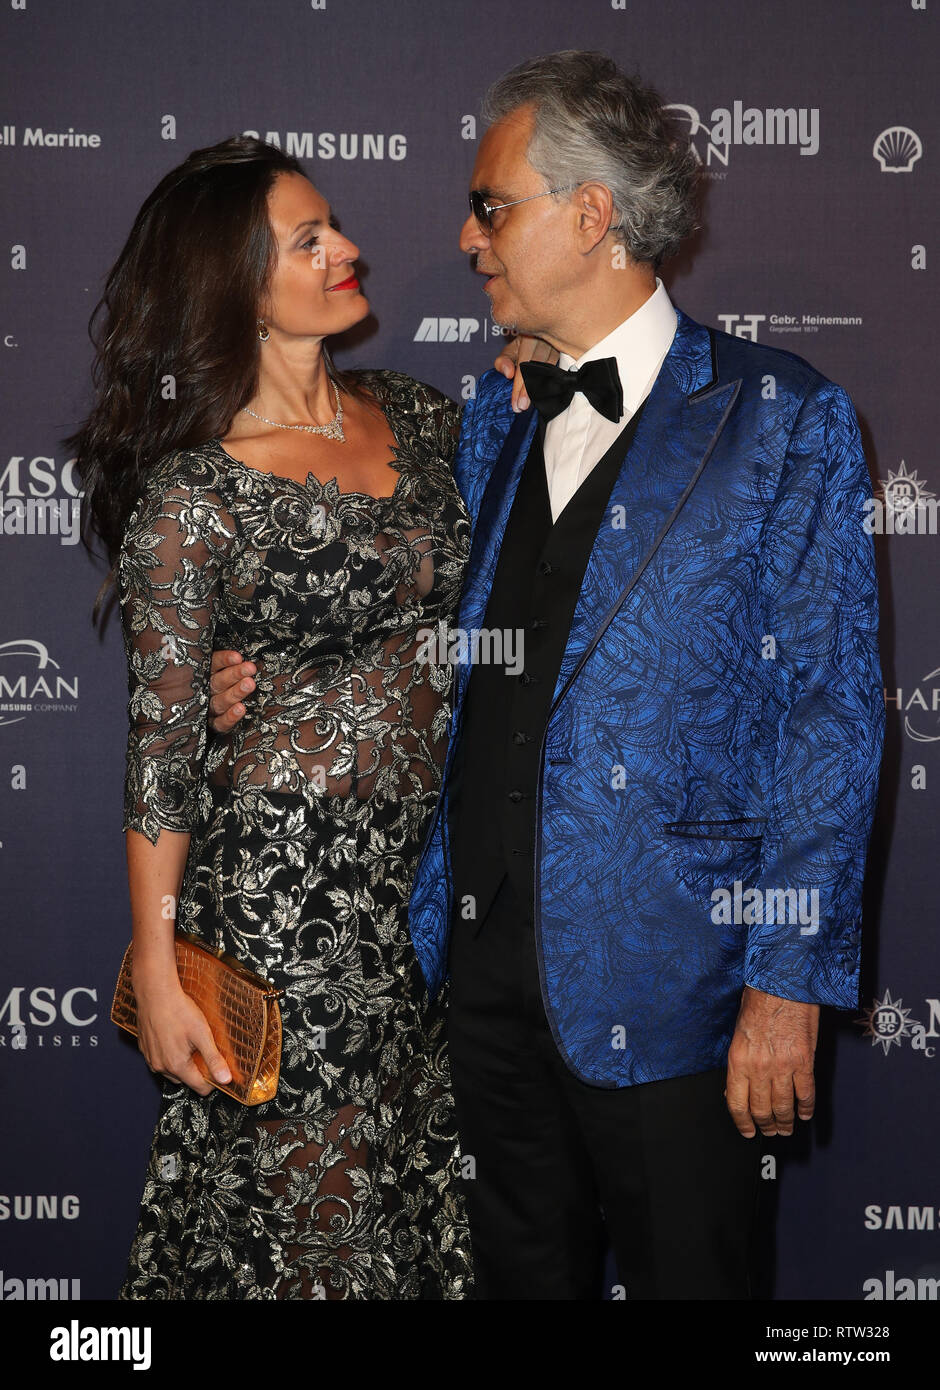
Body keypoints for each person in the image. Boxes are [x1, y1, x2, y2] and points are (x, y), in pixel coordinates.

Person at [209, 52, 884, 1300]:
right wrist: (255, 683)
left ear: (591, 212)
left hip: (681, 985)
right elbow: (394, 619)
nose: (467, 237)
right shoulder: (486, 419)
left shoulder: (780, 418)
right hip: (478, 985)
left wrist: (787, 983)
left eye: (491, 205)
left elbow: (830, 718)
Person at [70, 134, 531, 1300]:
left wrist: (535, 357)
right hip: (283, 908)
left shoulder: (421, 417)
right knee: (306, 1233)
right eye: (308, 240)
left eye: (335, 227)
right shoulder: (193, 494)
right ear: (236, 284)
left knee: (417, 1215)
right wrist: (163, 971)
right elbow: (162, 756)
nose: (349, 250)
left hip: (427, 902)